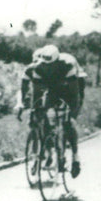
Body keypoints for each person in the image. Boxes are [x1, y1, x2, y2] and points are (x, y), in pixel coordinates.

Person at [15, 44, 82, 177]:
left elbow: (74, 93)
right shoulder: (37, 68)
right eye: (45, 64)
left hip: (67, 91)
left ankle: (75, 157)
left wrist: (72, 112)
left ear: (57, 61)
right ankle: (49, 148)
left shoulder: (67, 65)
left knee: (69, 122)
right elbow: (37, 92)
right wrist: (36, 108)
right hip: (51, 91)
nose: (48, 67)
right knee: (43, 115)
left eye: (51, 64)